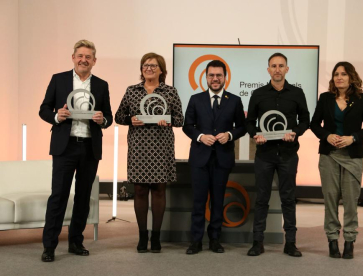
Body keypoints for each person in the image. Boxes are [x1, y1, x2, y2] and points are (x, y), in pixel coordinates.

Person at [39, 39, 113, 262]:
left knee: (83, 198)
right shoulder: (58, 79)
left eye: (88, 57)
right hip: (65, 146)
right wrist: (56, 116)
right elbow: (43, 108)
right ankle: (49, 246)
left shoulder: (101, 85)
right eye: (80, 56)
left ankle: (75, 242)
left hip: (90, 147)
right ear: (73, 58)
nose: (84, 60)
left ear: (94, 61)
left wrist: (103, 120)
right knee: (58, 196)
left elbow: (108, 116)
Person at [115, 53, 184, 253]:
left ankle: (156, 237)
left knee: (159, 190)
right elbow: (119, 116)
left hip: (161, 145)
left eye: (153, 66)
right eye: (146, 65)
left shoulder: (170, 92)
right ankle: (142, 236)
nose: (149, 69)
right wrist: (131, 119)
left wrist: (168, 119)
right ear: (141, 69)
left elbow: (180, 120)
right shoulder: (132, 90)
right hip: (139, 146)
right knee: (139, 190)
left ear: (161, 70)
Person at [246, 53, 309, 257]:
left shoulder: (297, 93)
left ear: (287, 69)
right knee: (262, 198)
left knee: (288, 199)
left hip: (288, 154)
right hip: (264, 154)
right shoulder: (258, 94)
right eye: (273, 66)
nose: (277, 69)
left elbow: (305, 120)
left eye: (281, 65)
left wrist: (296, 132)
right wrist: (255, 134)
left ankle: (290, 242)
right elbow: (249, 122)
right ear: (268, 70)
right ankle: (258, 242)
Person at [310, 61, 363, 259]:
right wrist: (327, 135)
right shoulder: (325, 98)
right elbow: (314, 124)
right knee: (330, 198)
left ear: (351, 77)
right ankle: (332, 239)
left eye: (344, 74)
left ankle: (349, 241)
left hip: (352, 156)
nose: (339, 77)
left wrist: (353, 137)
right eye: (336, 74)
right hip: (329, 155)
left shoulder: (362, 100)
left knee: (350, 201)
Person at [183, 60, 246, 254]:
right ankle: (195, 241)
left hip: (223, 157)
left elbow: (243, 127)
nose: (215, 79)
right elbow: (187, 126)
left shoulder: (234, 100)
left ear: (225, 77)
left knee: (218, 200)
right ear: (206, 77)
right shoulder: (195, 99)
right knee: (199, 201)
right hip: (199, 158)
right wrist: (201, 137)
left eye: (219, 75)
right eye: (211, 75)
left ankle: (215, 239)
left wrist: (230, 135)